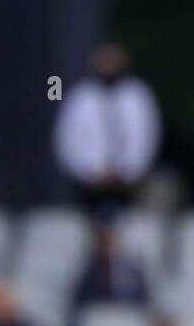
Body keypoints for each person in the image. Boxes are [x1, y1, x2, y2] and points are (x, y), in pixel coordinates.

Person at [53, 42, 161, 218]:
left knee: (131, 224)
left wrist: (129, 170)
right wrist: (89, 172)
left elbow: (146, 137)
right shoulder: (81, 96)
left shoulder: (137, 95)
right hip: (88, 184)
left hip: (128, 185)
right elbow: (67, 139)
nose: (108, 66)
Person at [73, 218, 148, 309]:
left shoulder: (133, 272)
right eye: (104, 240)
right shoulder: (88, 272)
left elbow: (143, 301)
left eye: (111, 239)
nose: (108, 244)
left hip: (126, 317)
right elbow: (81, 302)